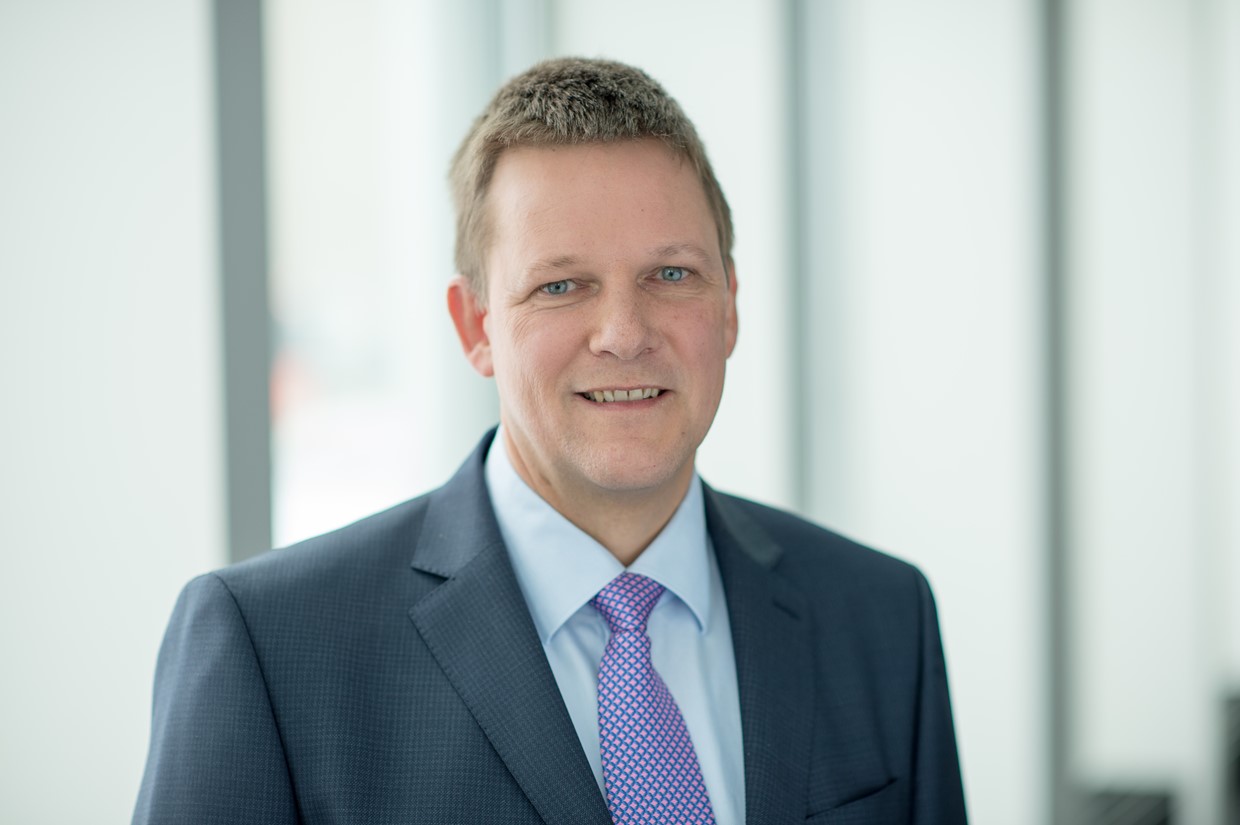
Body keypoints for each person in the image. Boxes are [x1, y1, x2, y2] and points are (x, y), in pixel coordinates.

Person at [133, 58, 967, 825]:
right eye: (561, 285)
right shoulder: (272, 647)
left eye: (671, 274)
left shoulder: (881, 617)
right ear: (476, 326)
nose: (624, 333)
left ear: (730, 306)